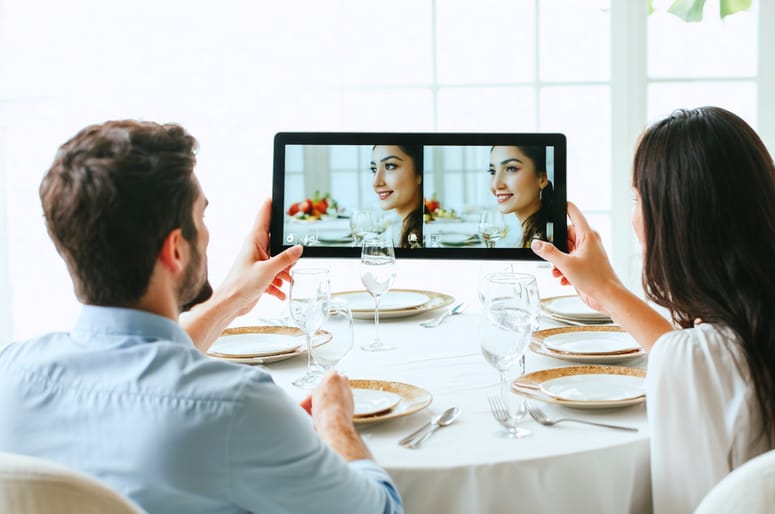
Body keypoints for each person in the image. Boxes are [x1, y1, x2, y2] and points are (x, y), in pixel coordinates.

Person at [0, 120, 403, 514]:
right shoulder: (236, 406)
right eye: (201, 217)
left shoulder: (11, 373)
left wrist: (232, 296)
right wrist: (334, 418)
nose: (207, 234)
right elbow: (379, 509)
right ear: (176, 249)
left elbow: (138, 363)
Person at [530, 107, 775, 514]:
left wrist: (608, 289)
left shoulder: (698, 362)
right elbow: (701, 362)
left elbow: (684, 501)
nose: (633, 214)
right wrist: (606, 290)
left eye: (637, 198)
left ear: (673, 220)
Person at [488, 145, 553, 248]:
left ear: (542, 178)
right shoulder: (534, 234)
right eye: (492, 171)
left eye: (511, 168)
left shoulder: (541, 243)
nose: (496, 184)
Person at [371, 145, 423, 248]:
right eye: (374, 169)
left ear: (419, 173)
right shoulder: (398, 232)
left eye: (390, 166)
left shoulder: (420, 241)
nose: (376, 183)